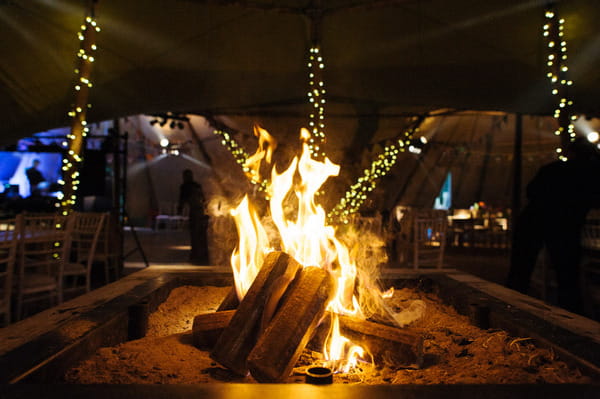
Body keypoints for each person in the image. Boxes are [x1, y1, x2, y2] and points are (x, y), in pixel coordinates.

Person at [507, 137, 600, 313]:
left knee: (522, 268)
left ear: (570, 153)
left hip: (536, 219)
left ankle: (511, 305)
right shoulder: (592, 174)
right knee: (567, 274)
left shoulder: (555, 169)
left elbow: (531, 191)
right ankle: (571, 313)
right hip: (565, 225)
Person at [178, 169, 209, 264]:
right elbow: (204, 200)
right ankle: (203, 256)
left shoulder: (185, 187)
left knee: (195, 235)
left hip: (196, 213)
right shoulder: (196, 186)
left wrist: (179, 210)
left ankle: (196, 256)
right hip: (201, 213)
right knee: (201, 236)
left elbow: (182, 200)